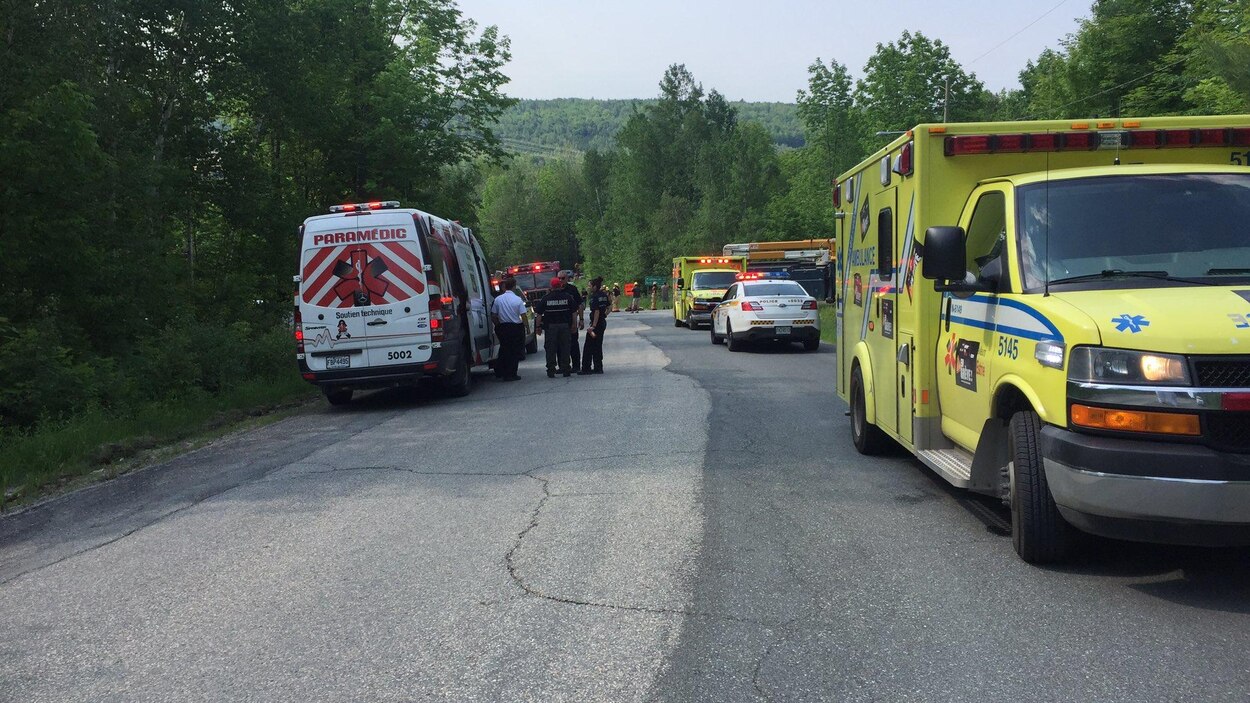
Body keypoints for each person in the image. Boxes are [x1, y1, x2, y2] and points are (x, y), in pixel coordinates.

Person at [535, 275, 576, 378]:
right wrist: (574, 324)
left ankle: (551, 370)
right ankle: (566, 369)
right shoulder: (567, 297)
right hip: (565, 326)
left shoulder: (546, 298)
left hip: (550, 327)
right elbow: (574, 312)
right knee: (565, 347)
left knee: (550, 349)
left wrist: (538, 327)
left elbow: (539, 314)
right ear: (560, 285)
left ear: (551, 286)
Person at [490, 277, 526, 381]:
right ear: (514, 286)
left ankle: (502, 371)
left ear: (505, 287)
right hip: (515, 327)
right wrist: (526, 327)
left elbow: (493, 315)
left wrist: (498, 325)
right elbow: (523, 315)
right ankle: (512, 373)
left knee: (504, 349)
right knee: (514, 351)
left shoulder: (498, 299)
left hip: (503, 327)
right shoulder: (517, 299)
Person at [579, 277, 610, 374]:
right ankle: (598, 367)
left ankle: (586, 368)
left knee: (588, 346)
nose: (589, 287)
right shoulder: (604, 295)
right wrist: (605, 314)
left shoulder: (594, 297)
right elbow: (609, 307)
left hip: (595, 325)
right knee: (598, 345)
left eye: (590, 286)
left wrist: (593, 326)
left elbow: (596, 311)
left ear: (595, 286)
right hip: (602, 323)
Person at [559, 270, 584, 371]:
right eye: (559, 278)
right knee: (560, 346)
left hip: (570, 321)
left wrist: (581, 319)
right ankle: (563, 366)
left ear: (567, 279)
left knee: (573, 344)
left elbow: (580, 305)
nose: (561, 280)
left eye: (563, 278)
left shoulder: (572, 289)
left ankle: (576, 366)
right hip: (559, 322)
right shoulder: (554, 290)